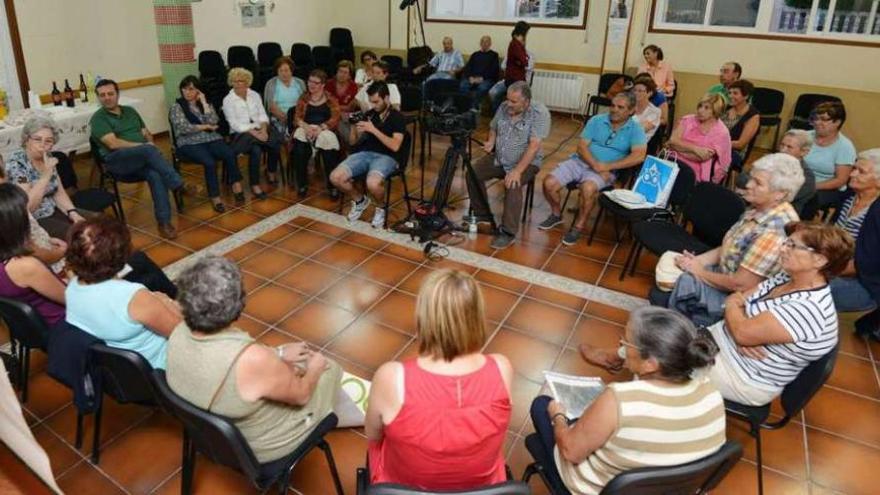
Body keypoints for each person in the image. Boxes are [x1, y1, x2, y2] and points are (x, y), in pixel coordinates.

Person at [585, 222, 851, 408]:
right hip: (721, 343)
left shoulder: (807, 309)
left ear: (820, 260)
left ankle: (632, 415)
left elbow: (743, 331)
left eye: (793, 246)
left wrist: (739, 327)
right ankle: (617, 358)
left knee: (657, 360)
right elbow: (738, 300)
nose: (783, 248)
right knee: (659, 328)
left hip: (744, 376)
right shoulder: (787, 277)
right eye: (787, 242)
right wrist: (737, 319)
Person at [166, 256, 343, 464]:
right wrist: (315, 368)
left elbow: (227, 361)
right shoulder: (252, 359)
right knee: (330, 368)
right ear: (238, 302)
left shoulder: (177, 332)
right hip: (255, 448)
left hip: (205, 436)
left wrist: (276, 354)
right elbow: (302, 395)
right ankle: (323, 418)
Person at [532, 307, 725, 495]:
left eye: (627, 343)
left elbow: (571, 452)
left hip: (599, 488)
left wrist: (558, 416)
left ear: (651, 364)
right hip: (669, 489)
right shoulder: (713, 394)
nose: (622, 348)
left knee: (542, 404)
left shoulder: (618, 400)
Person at [366, 269, 513, 490]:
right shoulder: (502, 367)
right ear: (476, 316)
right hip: (483, 489)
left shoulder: (392, 377)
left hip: (403, 490)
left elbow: (373, 434)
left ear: (424, 317)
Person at [659, 153, 803, 327]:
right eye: (752, 179)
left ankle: (676, 335)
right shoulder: (758, 208)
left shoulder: (775, 230)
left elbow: (741, 284)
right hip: (724, 276)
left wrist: (699, 271)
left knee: (678, 285)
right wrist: (697, 261)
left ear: (780, 194)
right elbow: (730, 246)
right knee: (674, 262)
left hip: (735, 298)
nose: (748, 185)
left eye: (758, 183)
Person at [64, 217, 182, 369]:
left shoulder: (71, 289)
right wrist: (168, 303)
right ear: (122, 257)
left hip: (122, 370)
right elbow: (181, 334)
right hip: (162, 366)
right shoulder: (134, 297)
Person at [540, 92, 647, 246]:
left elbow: (638, 156)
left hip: (607, 170)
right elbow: (581, 147)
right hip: (580, 162)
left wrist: (608, 166)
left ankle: (579, 226)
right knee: (548, 183)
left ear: (631, 111)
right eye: (612, 105)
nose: (614, 110)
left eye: (620, 107)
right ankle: (556, 214)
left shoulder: (636, 129)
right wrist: (596, 165)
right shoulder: (597, 120)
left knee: (588, 188)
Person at [89, 79, 187, 239]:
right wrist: (143, 147)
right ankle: (179, 184)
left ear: (117, 94)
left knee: (155, 174)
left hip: (141, 158)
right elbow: (113, 144)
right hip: (118, 162)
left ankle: (164, 223)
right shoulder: (98, 118)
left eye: (110, 94)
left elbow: (146, 132)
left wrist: (148, 142)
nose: (107, 98)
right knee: (148, 150)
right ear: (98, 98)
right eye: (102, 95)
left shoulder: (130, 111)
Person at [467, 81, 550, 250]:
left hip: (526, 162)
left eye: (514, 102)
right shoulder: (504, 106)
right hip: (500, 157)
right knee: (473, 172)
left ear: (526, 101)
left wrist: (517, 171)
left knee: (513, 183)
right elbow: (493, 127)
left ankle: (508, 232)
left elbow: (534, 146)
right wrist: (491, 141)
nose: (508, 105)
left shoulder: (539, 113)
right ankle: (482, 213)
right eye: (508, 100)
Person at [330, 82, 405, 229]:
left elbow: (395, 146)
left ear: (387, 98)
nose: (373, 105)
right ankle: (359, 201)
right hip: (365, 153)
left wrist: (373, 129)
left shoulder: (397, 117)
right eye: (371, 102)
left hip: (387, 156)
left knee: (372, 183)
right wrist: (353, 126)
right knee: (335, 177)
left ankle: (381, 207)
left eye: (376, 102)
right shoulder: (370, 114)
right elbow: (353, 142)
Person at [4, 116, 88, 239]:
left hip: (54, 208)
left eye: (48, 141)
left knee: (98, 225)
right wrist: (45, 175)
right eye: (37, 139)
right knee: (81, 238)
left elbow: (58, 192)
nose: (43, 145)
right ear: (26, 140)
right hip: (34, 220)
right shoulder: (17, 164)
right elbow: (29, 206)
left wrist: (72, 213)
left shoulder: (47, 157)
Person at [170, 76, 245, 213]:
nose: (187, 92)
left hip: (210, 138)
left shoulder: (204, 103)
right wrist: (204, 126)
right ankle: (215, 197)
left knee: (229, 153)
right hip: (189, 142)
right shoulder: (177, 107)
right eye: (185, 89)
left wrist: (204, 103)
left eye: (191, 89)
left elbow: (214, 121)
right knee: (209, 162)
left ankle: (236, 184)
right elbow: (184, 128)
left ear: (198, 91)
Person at [0, 183, 66, 329]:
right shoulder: (25, 265)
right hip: (62, 323)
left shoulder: (9, 261)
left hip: (30, 326)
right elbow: (71, 299)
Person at [829, 149, 880, 316]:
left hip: (864, 282)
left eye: (861, 171)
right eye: (854, 168)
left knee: (807, 291)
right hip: (833, 265)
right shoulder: (849, 196)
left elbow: (866, 264)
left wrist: (820, 270)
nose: (852, 174)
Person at [223, 67, 282, 200]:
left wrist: (264, 130)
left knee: (266, 145)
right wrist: (256, 134)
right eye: (236, 81)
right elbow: (234, 124)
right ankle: (255, 185)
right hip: (241, 133)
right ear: (231, 82)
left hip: (259, 129)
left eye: (242, 81)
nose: (239, 84)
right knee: (265, 146)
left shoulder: (254, 95)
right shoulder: (228, 100)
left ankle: (267, 173)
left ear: (247, 82)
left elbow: (262, 114)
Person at [738, 129, 816, 216]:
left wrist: (751, 186)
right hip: (753, 208)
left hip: (777, 216)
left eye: (789, 147)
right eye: (782, 145)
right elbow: (741, 178)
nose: (783, 150)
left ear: (804, 152)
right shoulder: (771, 160)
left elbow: (774, 198)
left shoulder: (807, 177)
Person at [289, 69, 342, 198]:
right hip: (306, 128)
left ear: (323, 85)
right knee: (299, 150)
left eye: (315, 82)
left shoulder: (331, 99)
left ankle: (332, 186)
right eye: (310, 81)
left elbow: (335, 118)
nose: (311, 85)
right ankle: (302, 184)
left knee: (329, 152)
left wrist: (320, 128)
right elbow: (297, 118)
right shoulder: (304, 98)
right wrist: (306, 127)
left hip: (324, 129)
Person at [802, 101, 856, 215]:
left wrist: (811, 186)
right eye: (815, 119)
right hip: (801, 181)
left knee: (807, 198)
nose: (817, 122)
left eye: (823, 119)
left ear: (837, 122)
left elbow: (840, 180)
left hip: (827, 188)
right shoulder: (804, 137)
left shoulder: (845, 146)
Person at [667, 93, 732, 183]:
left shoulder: (721, 132)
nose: (700, 110)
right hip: (671, 163)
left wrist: (678, 147)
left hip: (695, 174)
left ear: (716, 110)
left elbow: (701, 157)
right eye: (700, 106)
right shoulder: (687, 119)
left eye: (706, 108)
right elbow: (672, 141)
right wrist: (696, 149)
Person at [489, 21, 530, 112]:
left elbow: (524, 61)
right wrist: (522, 61)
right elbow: (524, 61)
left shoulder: (518, 44)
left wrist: (522, 60)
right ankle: (499, 114)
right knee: (494, 93)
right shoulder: (515, 44)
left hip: (515, 79)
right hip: (514, 79)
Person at [721, 79, 760, 173]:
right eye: (729, 93)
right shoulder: (726, 108)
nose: (730, 96)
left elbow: (740, 144)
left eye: (735, 93)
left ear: (746, 96)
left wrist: (717, 143)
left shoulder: (752, 115)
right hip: (717, 145)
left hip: (735, 152)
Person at [263, 56, 306, 139]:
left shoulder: (300, 83)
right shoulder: (271, 84)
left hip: (299, 118)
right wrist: (288, 119)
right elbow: (271, 107)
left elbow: (305, 102)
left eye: (286, 70)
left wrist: (296, 119)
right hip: (279, 119)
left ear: (291, 70)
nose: (283, 73)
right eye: (280, 71)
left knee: (303, 135)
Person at [459, 35, 500, 111]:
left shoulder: (494, 55)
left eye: (487, 42)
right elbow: (468, 68)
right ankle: (464, 107)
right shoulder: (475, 55)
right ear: (480, 43)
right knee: (462, 85)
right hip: (472, 78)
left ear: (490, 43)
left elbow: (494, 71)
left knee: (482, 88)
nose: (485, 43)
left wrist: (482, 78)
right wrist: (470, 77)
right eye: (483, 42)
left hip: (486, 79)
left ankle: (474, 108)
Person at [328, 60, 361, 148]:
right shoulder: (329, 84)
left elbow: (351, 107)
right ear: (336, 72)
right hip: (333, 115)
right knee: (342, 128)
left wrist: (339, 107)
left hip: (349, 115)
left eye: (345, 72)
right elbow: (328, 105)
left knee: (357, 129)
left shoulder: (353, 86)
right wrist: (342, 109)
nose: (342, 74)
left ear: (350, 75)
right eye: (340, 71)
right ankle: (352, 148)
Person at [631, 77, 662, 142]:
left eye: (640, 91)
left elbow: (639, 131)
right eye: (634, 90)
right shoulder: (628, 105)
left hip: (639, 145)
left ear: (649, 93)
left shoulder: (655, 112)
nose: (636, 93)